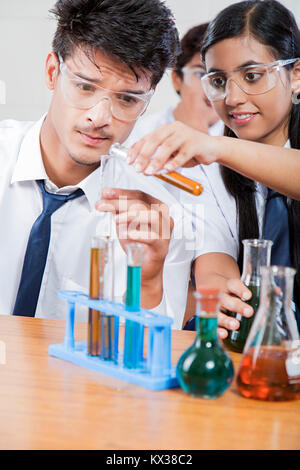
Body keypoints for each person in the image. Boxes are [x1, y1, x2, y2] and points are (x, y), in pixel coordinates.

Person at [0, 0, 194, 329]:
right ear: (52, 72)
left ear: (147, 100)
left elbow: (147, 360)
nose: (99, 118)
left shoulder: (158, 217)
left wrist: (147, 284)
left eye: (127, 99)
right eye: (85, 86)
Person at [126, 0, 300, 336]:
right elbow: (214, 254)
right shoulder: (209, 171)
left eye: (252, 76)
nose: (232, 98)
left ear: (295, 75)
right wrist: (222, 293)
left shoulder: (216, 150)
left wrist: (218, 146)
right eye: (218, 81)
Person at [125, 23, 223, 148]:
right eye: (200, 74)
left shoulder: (242, 141)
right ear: (177, 79)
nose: (211, 89)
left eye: (220, 79)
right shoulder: (141, 134)